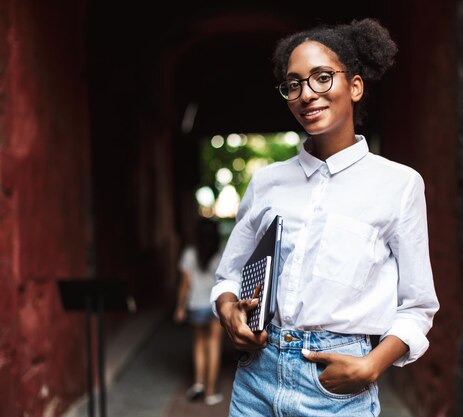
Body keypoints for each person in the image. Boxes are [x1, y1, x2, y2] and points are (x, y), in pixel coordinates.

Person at [211, 18, 439, 416]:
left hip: (334, 388)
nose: (306, 94)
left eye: (321, 78)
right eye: (294, 83)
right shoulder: (267, 182)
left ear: (354, 86)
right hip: (256, 381)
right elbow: (228, 275)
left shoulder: (398, 185)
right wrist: (227, 308)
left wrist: (372, 365)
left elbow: (417, 306)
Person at [174, 217, 224, 406]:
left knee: (199, 345)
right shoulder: (219, 256)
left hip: (196, 305)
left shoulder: (189, 254)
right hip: (215, 305)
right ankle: (211, 392)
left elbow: (185, 285)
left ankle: (199, 384)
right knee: (214, 345)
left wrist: (180, 307)